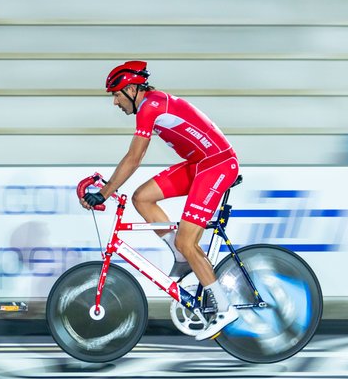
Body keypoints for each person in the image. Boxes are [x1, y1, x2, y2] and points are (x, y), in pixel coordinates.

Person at [79, 60, 239, 341]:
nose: (116, 103)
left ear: (130, 89)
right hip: (200, 164)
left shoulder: (151, 106)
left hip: (216, 164)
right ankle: (181, 255)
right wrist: (107, 187)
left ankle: (224, 307)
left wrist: (104, 192)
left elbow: (134, 158)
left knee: (187, 241)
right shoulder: (151, 105)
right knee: (142, 198)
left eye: (116, 94)